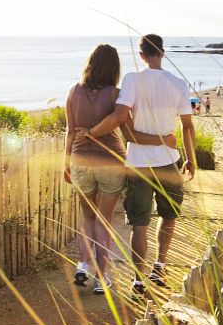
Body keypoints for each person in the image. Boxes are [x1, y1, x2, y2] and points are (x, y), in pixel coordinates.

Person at [83, 34, 195, 295]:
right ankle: (160, 265)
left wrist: (91, 133)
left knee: (139, 223)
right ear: (163, 53)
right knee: (168, 217)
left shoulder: (133, 79)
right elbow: (188, 126)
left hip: (138, 164)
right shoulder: (178, 83)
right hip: (169, 162)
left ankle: (138, 279)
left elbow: (121, 117)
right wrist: (191, 159)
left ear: (142, 55)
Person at [63, 44, 173, 294]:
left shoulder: (72, 91)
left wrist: (66, 163)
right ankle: (102, 278)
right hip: (111, 162)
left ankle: (83, 266)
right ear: (114, 67)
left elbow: (70, 132)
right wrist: (162, 139)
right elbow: (129, 133)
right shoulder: (116, 95)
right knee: (104, 221)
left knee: (88, 217)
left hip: (80, 162)